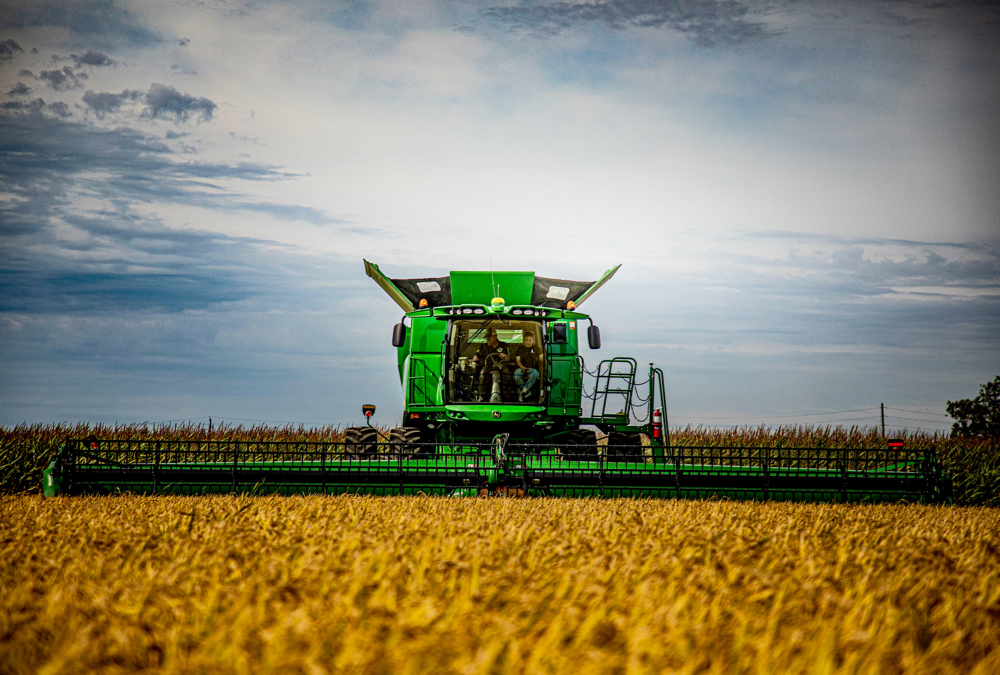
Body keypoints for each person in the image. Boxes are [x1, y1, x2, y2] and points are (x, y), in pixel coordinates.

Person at [472, 326, 511, 400]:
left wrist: (504, 356)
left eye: (489, 339)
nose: (487, 340)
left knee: (506, 372)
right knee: (483, 373)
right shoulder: (483, 346)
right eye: (486, 338)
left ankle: (506, 394)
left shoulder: (504, 345)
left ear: (495, 337)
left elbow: (508, 358)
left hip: (501, 365)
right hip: (489, 366)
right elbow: (476, 356)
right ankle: (482, 395)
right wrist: (476, 357)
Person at [513, 331, 540, 402]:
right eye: (526, 340)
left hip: (533, 370)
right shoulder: (520, 349)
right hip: (521, 368)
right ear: (524, 341)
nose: (528, 342)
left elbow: (542, 359)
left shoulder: (537, 349)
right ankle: (526, 391)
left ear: (533, 341)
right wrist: (522, 367)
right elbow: (518, 360)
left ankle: (523, 391)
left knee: (535, 373)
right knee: (516, 375)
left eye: (530, 340)